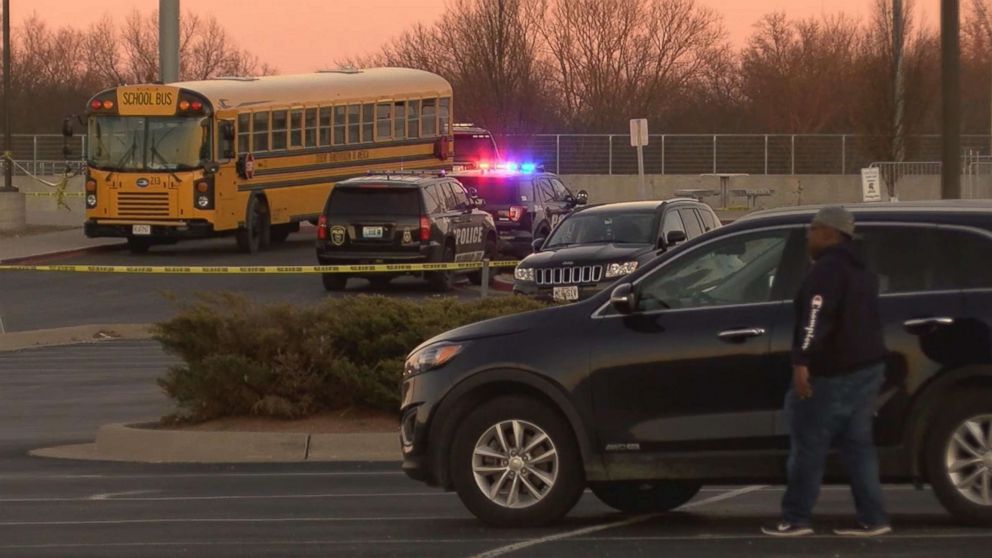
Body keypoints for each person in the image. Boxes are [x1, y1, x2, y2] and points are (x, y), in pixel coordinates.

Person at [762, 206, 892, 538]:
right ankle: (874, 517)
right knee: (858, 446)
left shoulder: (827, 271)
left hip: (832, 372)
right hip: (868, 368)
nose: (809, 234)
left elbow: (816, 317)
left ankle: (796, 518)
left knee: (808, 446)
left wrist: (801, 361)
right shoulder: (863, 270)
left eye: (813, 228)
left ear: (829, 233)